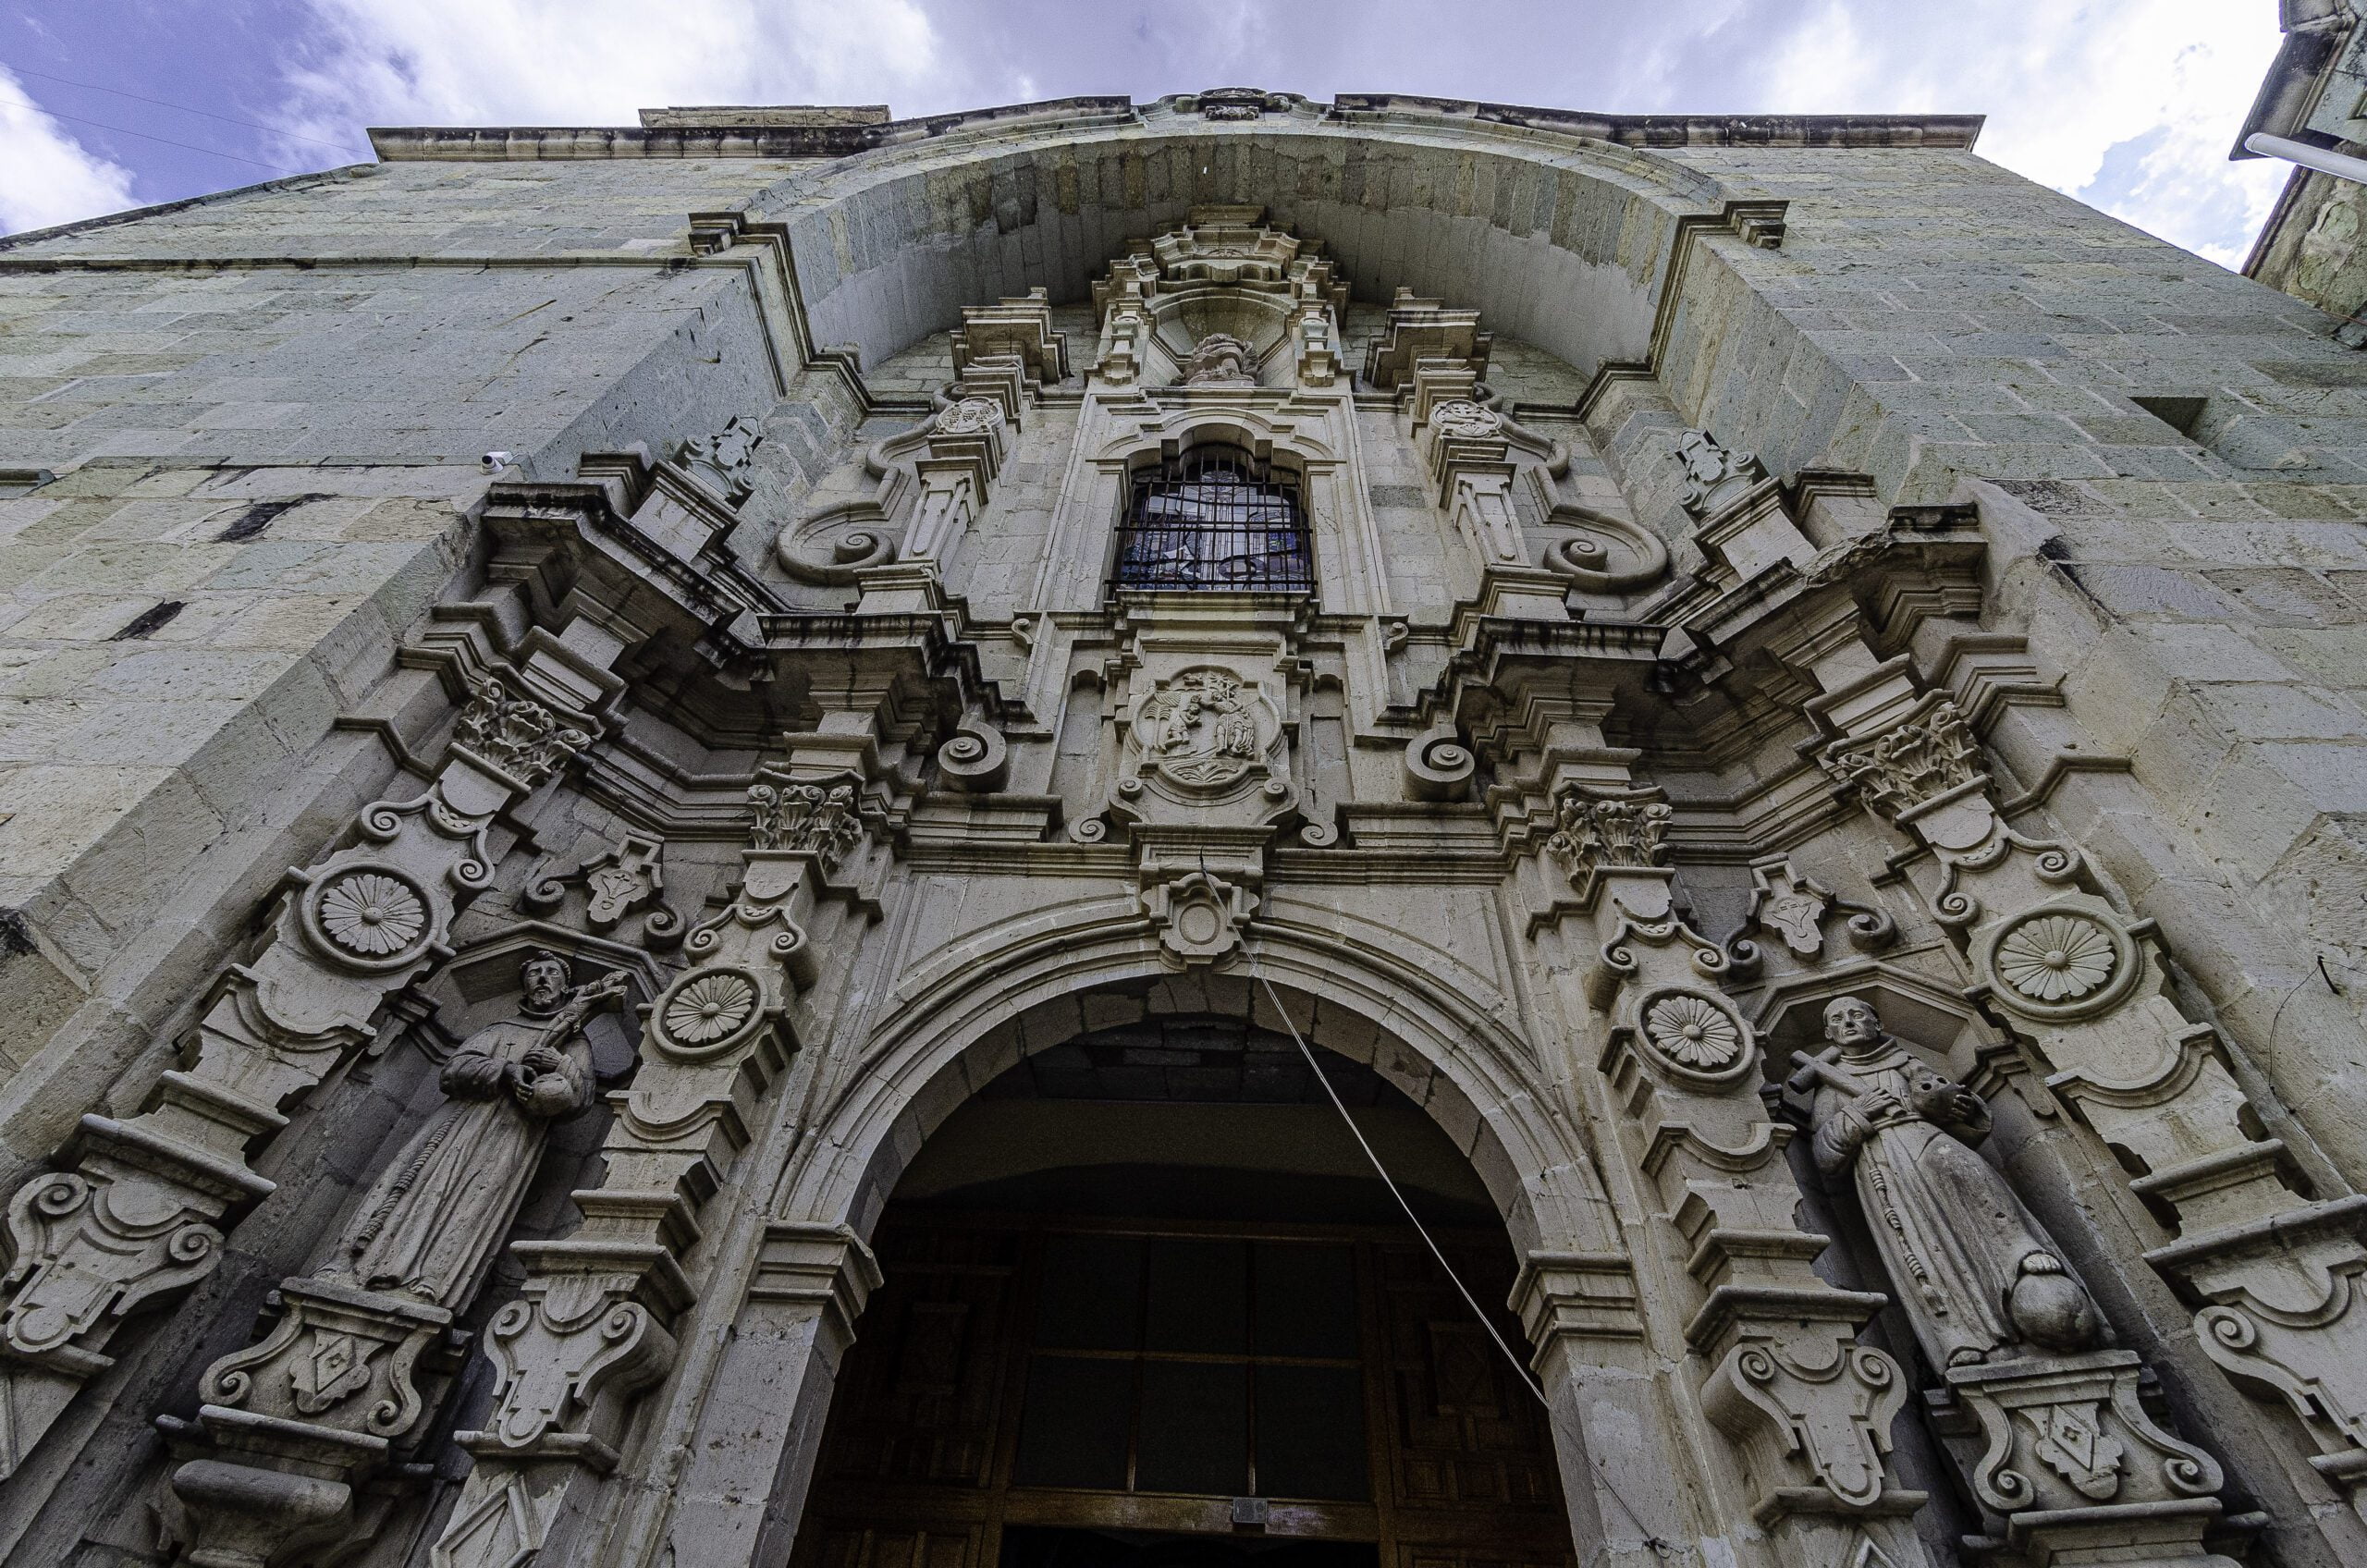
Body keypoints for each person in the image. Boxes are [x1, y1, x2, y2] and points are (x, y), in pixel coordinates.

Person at [1800, 996, 2100, 1368]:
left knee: (1979, 1191)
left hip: (1931, 1144)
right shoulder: (1828, 1088)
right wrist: (1857, 1117)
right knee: (1922, 1252)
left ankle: (2021, 1255)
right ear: (1829, 1034)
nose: (1849, 1022)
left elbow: (1958, 1107)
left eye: (1857, 1014)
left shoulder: (1907, 1064)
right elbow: (1825, 1156)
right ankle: (1961, 1337)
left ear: (1877, 1024)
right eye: (1838, 1020)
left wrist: (1954, 1105)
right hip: (1887, 1176)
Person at [323, 950, 625, 1306]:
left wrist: (560, 1064)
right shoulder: (499, 1030)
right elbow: (452, 1072)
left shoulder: (575, 1044)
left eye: (552, 973)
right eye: (535, 973)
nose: (543, 978)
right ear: (525, 986)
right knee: (414, 1188)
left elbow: (579, 1100)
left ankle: (433, 1282)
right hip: (458, 1125)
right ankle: (351, 1265)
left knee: (473, 1204)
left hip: (511, 1137)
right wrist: (506, 1071)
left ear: (566, 984)